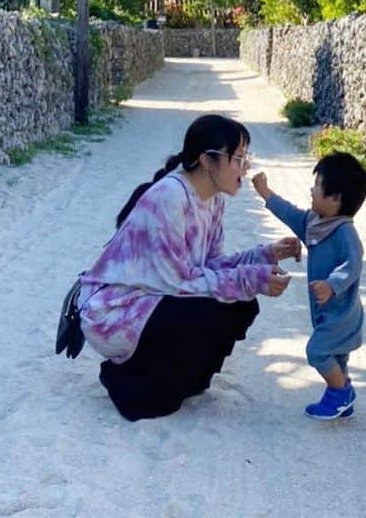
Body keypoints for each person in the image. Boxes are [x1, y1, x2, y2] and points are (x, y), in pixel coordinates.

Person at [78, 114, 299, 421]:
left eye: (245, 158)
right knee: (206, 308)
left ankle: (185, 383)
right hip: (114, 311)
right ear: (208, 161)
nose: (244, 167)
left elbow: (209, 267)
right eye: (237, 158)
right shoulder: (169, 197)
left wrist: (263, 256)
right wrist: (251, 278)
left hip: (152, 298)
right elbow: (178, 282)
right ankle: (127, 381)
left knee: (240, 304)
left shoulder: (214, 199)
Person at [251, 151, 366, 420]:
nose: (311, 190)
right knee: (336, 357)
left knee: (317, 351)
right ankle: (343, 400)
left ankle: (341, 393)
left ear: (336, 198)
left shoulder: (344, 232)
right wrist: (265, 192)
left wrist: (332, 284)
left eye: (318, 186)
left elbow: (353, 265)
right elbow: (289, 213)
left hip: (343, 313)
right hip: (326, 311)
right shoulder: (315, 223)